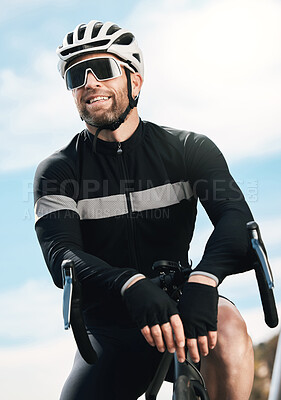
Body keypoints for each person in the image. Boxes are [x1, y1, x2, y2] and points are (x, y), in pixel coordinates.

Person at [34, 20, 254, 400]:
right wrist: (127, 283)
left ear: (135, 82)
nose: (89, 82)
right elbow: (62, 254)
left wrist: (205, 279)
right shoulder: (58, 171)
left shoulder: (189, 149)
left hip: (184, 306)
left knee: (230, 328)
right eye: (75, 76)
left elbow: (236, 221)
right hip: (110, 329)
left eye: (102, 69)